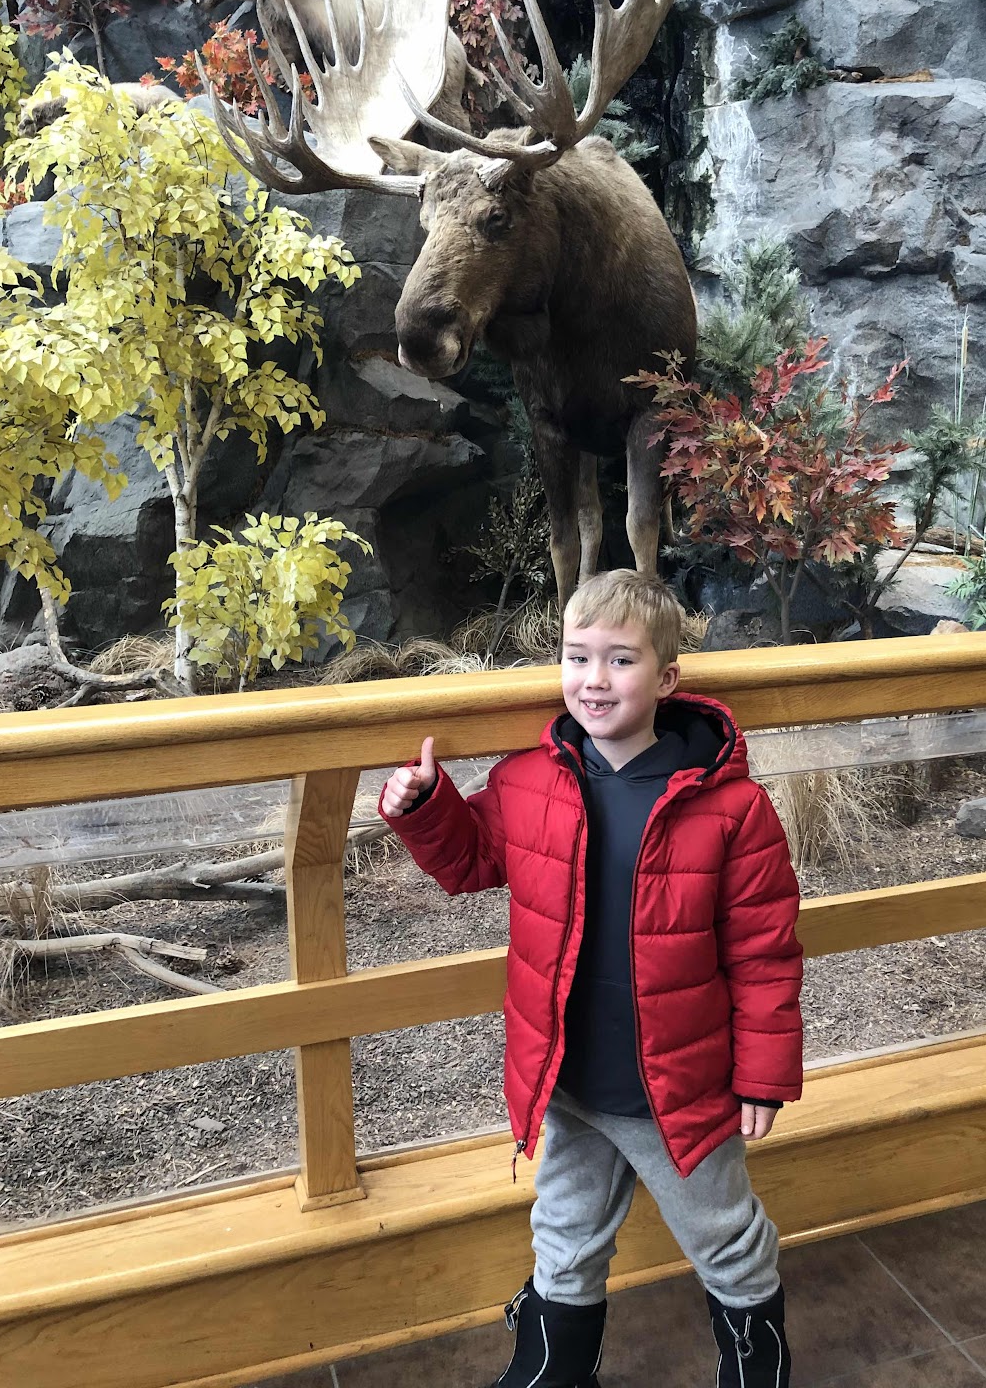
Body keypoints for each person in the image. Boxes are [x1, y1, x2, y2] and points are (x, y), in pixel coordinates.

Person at [380, 570, 803, 1387]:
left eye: (620, 660)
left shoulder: (732, 809)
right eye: (578, 657)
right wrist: (426, 805)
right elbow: (470, 862)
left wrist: (762, 1074)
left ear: (667, 678)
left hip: (675, 1089)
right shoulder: (529, 780)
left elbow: (764, 953)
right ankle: (553, 1371)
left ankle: (759, 1369)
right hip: (570, 1079)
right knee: (564, 1234)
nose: (594, 679)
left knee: (723, 1236)